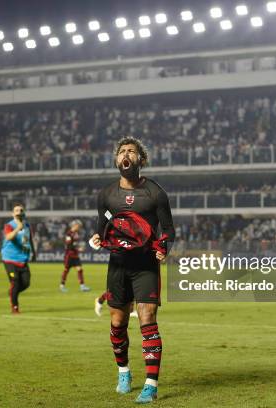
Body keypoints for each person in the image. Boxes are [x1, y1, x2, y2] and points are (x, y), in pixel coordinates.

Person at [90, 137, 174, 404]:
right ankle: (123, 372)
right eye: (122, 151)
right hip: (117, 265)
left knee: (147, 318)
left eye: (132, 151)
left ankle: (151, 385)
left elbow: (168, 230)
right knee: (118, 323)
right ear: (117, 160)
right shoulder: (106, 195)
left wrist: (163, 247)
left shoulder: (156, 193)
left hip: (146, 265)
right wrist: (95, 237)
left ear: (141, 160)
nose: (126, 154)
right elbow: (101, 226)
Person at [2, 203, 36, 314]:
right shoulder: (9, 225)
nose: (19, 212)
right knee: (15, 282)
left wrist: (33, 253)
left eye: (21, 210)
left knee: (26, 283)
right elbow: (8, 237)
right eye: (16, 210)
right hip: (10, 258)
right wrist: (17, 229)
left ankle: (12, 292)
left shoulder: (27, 226)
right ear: (12, 213)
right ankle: (15, 308)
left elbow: (28, 241)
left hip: (23, 259)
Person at [59, 219, 90, 293]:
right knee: (66, 270)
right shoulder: (68, 234)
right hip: (69, 255)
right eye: (78, 226)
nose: (79, 227)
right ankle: (62, 286)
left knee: (80, 269)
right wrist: (79, 249)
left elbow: (75, 244)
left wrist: (78, 248)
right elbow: (69, 246)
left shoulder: (76, 233)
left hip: (75, 255)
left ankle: (82, 286)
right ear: (74, 225)